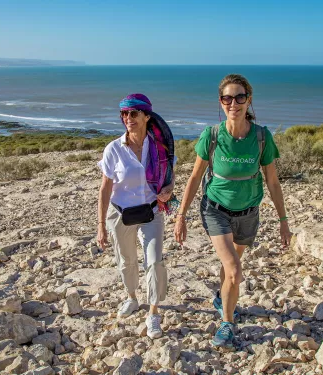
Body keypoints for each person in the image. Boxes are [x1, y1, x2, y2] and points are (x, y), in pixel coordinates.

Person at [174, 74, 292, 350]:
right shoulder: (212, 136)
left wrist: (284, 221)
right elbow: (194, 178)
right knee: (235, 271)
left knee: (230, 269)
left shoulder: (261, 137)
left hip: (249, 213)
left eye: (240, 97)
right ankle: (227, 323)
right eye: (228, 98)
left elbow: (273, 181)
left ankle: (222, 297)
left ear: (248, 100)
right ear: (221, 102)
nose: (234, 103)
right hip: (216, 210)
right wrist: (181, 216)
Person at [97, 93, 176, 339]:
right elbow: (105, 188)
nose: (128, 118)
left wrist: (169, 189)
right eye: (124, 114)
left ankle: (153, 313)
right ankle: (132, 297)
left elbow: (169, 175)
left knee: (154, 261)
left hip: (151, 212)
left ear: (146, 116)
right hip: (121, 214)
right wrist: (100, 225)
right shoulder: (114, 148)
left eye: (133, 114)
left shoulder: (160, 146)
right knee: (126, 261)